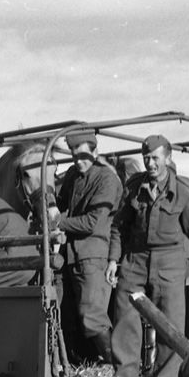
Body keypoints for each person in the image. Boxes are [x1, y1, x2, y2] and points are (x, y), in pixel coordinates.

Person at [106, 135, 189, 377]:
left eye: (155, 158)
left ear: (168, 159)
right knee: (124, 314)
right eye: (146, 158)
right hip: (135, 259)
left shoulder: (184, 190)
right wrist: (113, 260)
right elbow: (119, 227)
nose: (150, 164)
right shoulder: (133, 186)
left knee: (170, 322)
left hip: (170, 261)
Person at [54, 133, 122, 364]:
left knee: (92, 316)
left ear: (95, 152)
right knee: (70, 315)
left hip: (93, 255)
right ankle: (85, 363)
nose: (78, 161)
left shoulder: (106, 179)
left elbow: (93, 222)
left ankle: (119, 370)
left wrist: (57, 222)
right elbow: (62, 202)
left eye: (84, 156)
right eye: (74, 157)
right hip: (71, 255)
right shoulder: (73, 175)